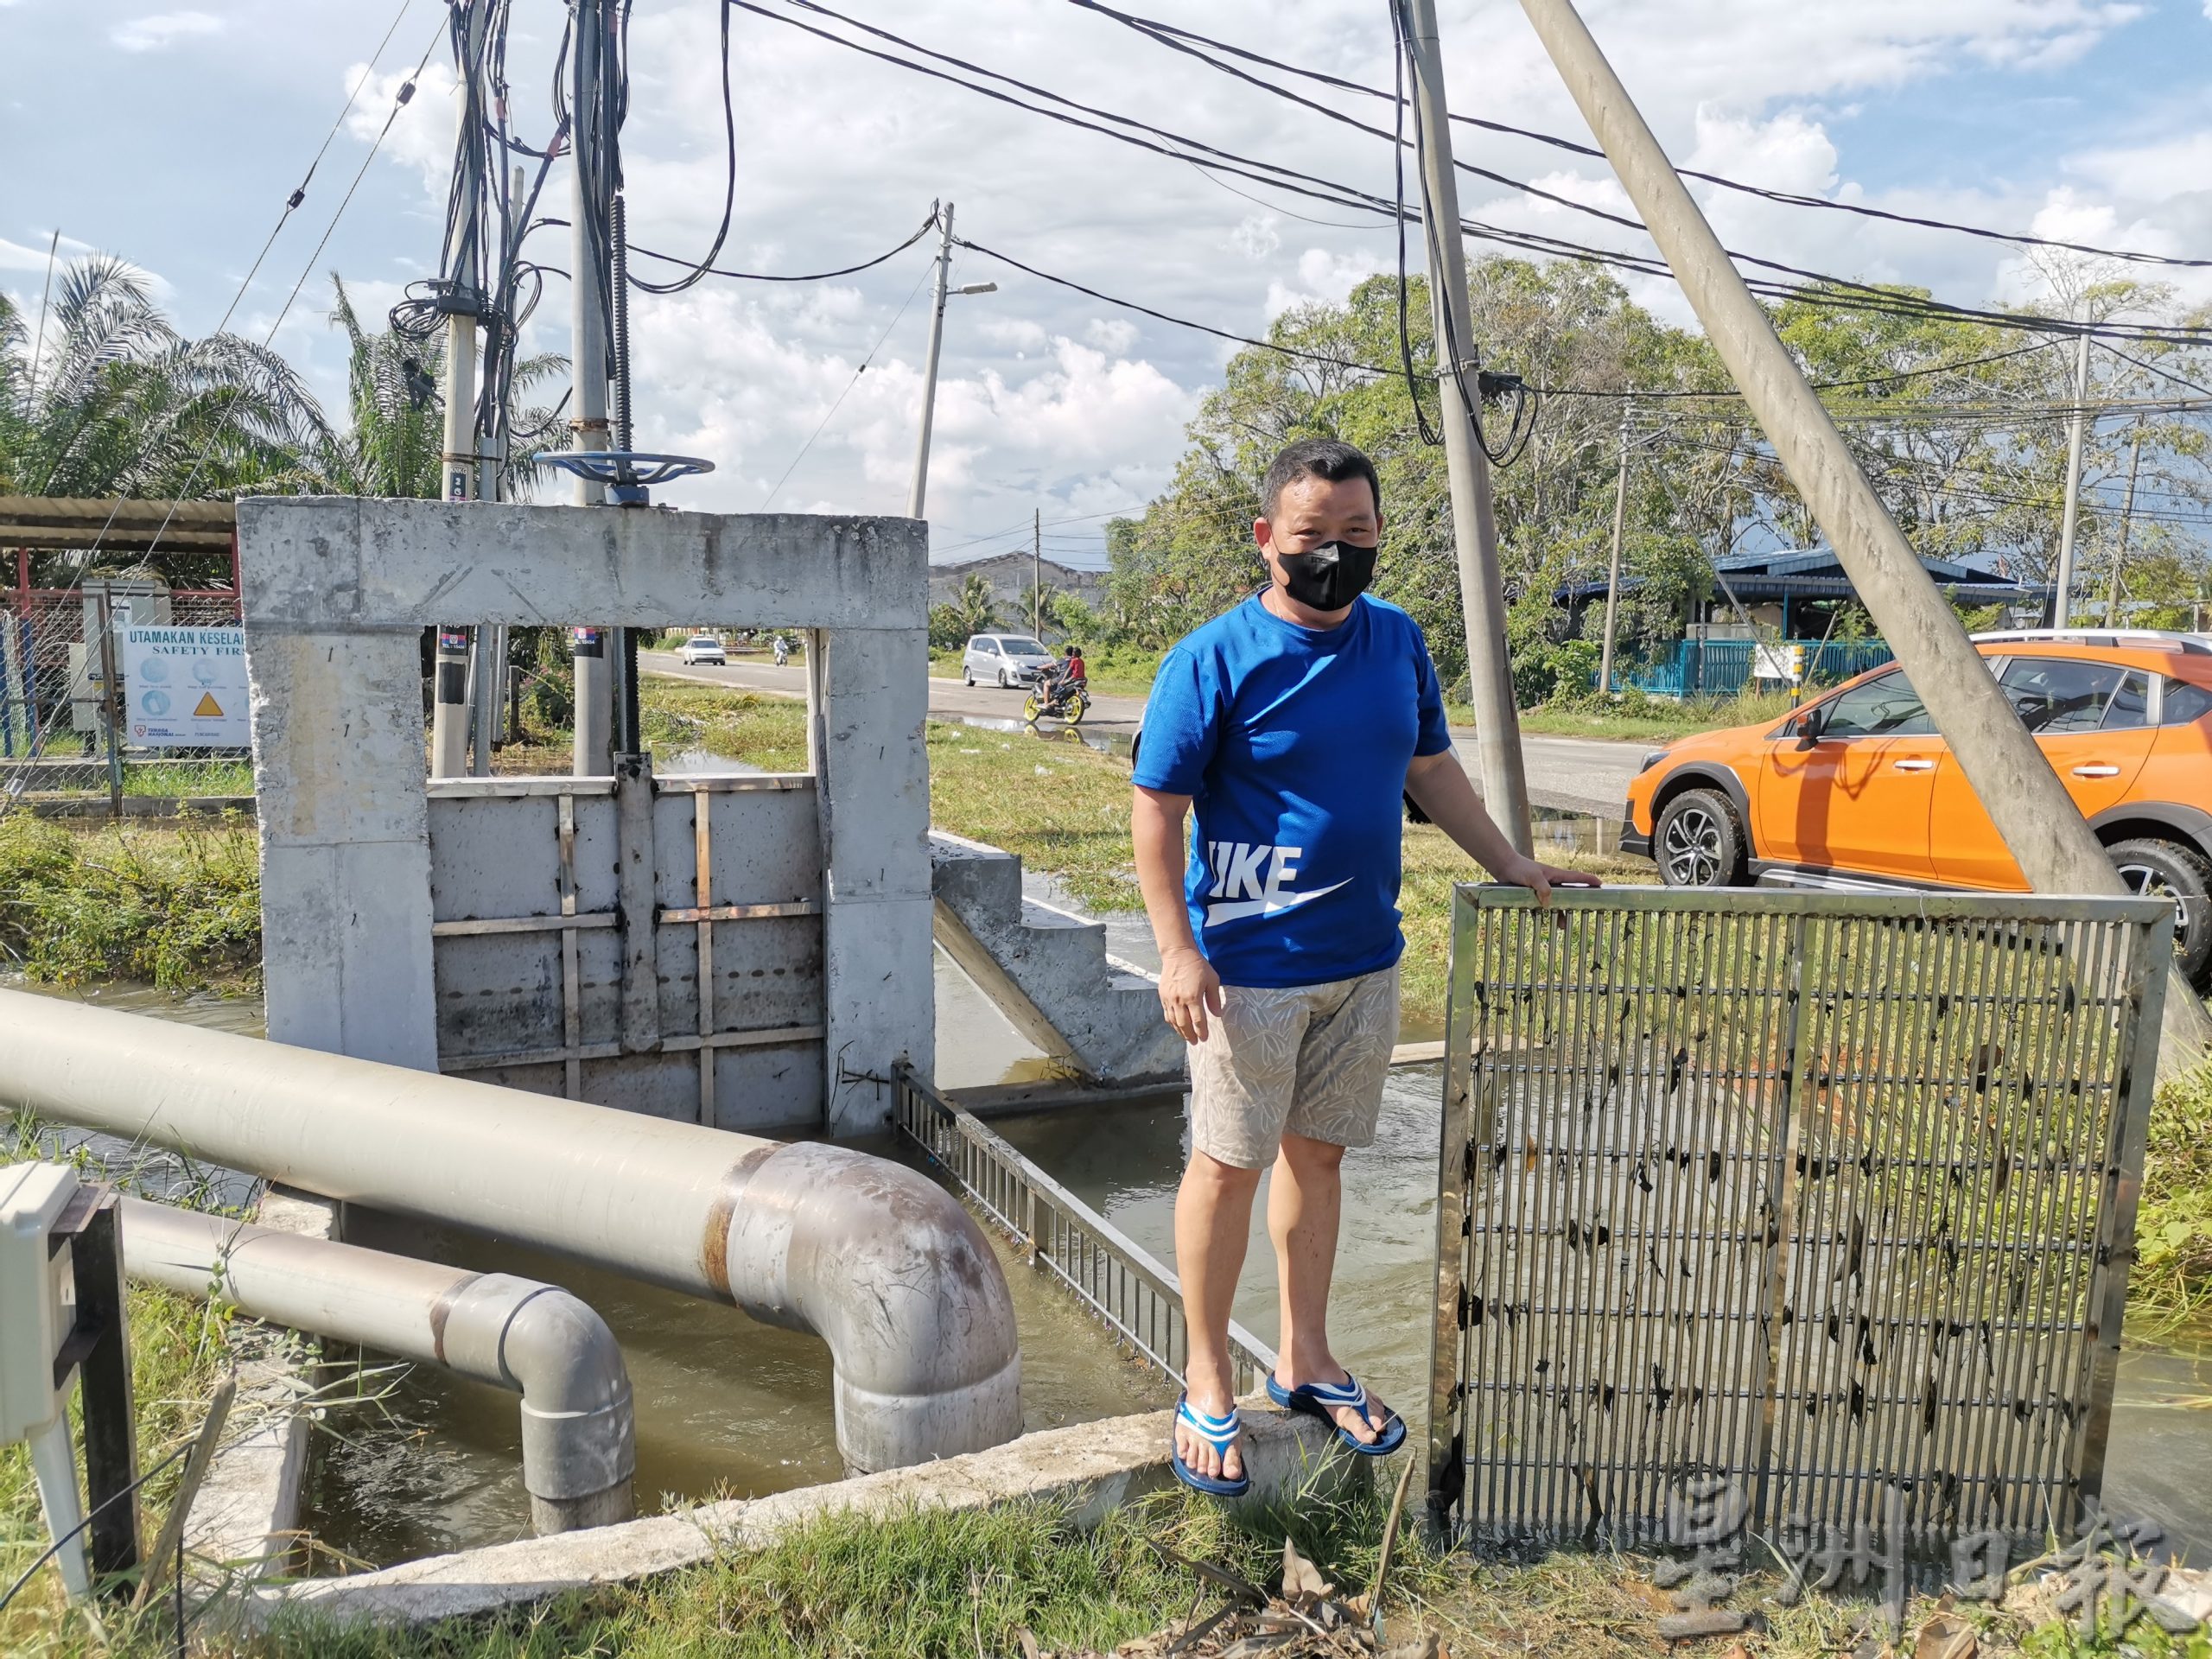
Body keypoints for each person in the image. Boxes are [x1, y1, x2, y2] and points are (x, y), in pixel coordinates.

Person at [1131, 436, 1597, 1497]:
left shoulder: (1396, 645)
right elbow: (1156, 811)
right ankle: (1206, 1373)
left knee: (1320, 1161)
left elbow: (1430, 769)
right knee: (1226, 1165)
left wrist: (1512, 861)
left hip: (1363, 961)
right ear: (1266, 541)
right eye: (1312, 536)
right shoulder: (1210, 659)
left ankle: (1305, 1357)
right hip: (1246, 969)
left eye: (1357, 534)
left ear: (1379, 536)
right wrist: (1175, 951)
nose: (1334, 554)